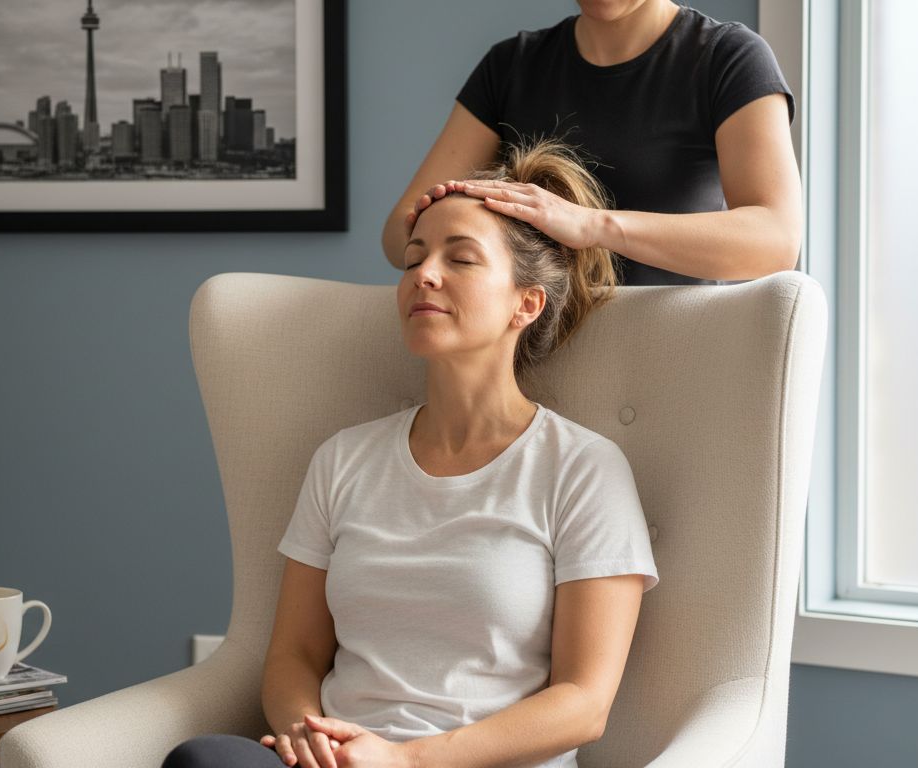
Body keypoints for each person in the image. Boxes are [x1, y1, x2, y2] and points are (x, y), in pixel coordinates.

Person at [162, 137, 659, 768]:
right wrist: (312, 739)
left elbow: (584, 704)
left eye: (462, 259)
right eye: (414, 257)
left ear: (526, 303)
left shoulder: (583, 470)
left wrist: (407, 760)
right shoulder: (344, 460)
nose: (423, 273)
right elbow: (293, 658)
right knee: (205, 760)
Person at [382, 0, 801, 286]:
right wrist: (457, 235)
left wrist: (591, 226)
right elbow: (398, 234)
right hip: (534, 356)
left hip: (673, 351)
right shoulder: (510, 67)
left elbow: (776, 240)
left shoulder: (729, 58)